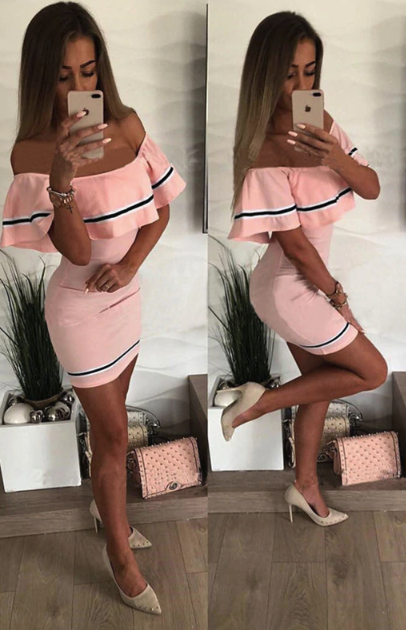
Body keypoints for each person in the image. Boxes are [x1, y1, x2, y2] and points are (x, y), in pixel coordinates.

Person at [1, 2, 186, 615]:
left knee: (113, 429)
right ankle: (119, 555)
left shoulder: (127, 125)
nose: (80, 87)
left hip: (125, 296)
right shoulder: (31, 152)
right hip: (78, 309)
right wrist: (62, 176)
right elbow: (77, 252)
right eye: (63, 76)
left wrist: (130, 266)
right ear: (40, 78)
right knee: (111, 433)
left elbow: (161, 209)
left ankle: (107, 511)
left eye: (88, 71)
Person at [223, 11, 387, 526]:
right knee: (373, 371)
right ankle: (259, 404)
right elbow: (294, 246)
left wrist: (336, 157)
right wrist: (339, 298)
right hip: (291, 286)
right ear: (264, 76)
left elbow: (371, 186)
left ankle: (305, 487)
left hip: (298, 284)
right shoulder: (263, 149)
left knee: (324, 384)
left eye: (309, 71)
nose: (300, 86)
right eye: (287, 74)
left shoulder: (322, 125)